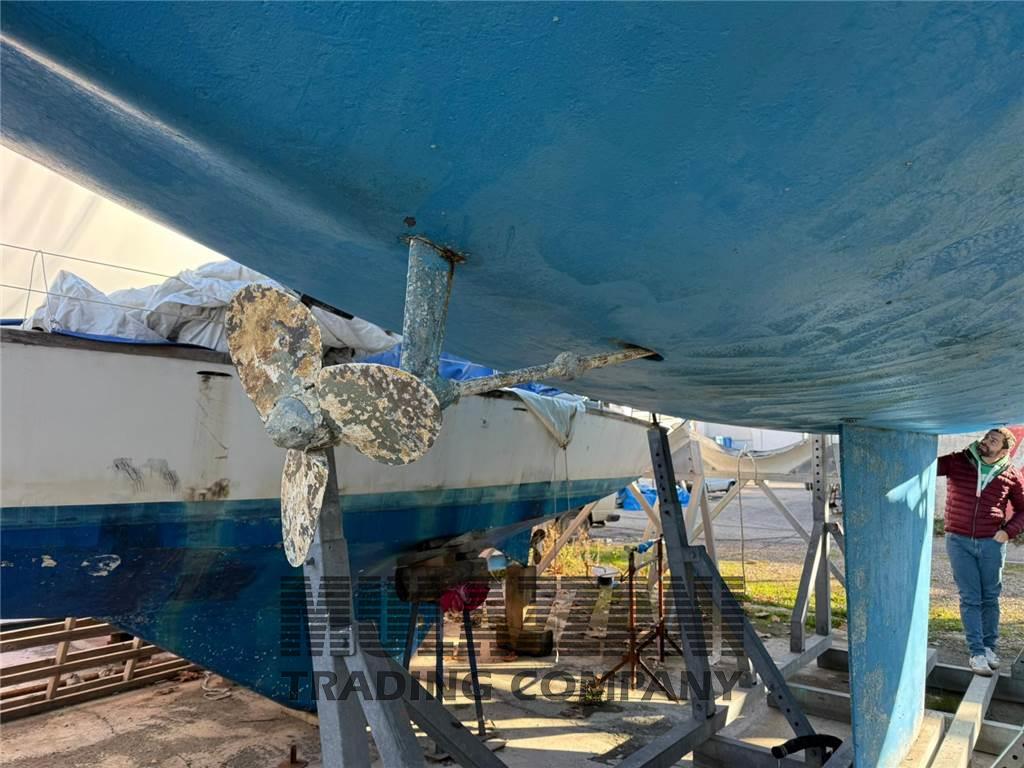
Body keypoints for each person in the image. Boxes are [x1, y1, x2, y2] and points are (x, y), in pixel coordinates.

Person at [937, 427, 1024, 676]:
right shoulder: (958, 461)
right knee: (970, 598)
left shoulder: (1011, 474)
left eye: (993, 441)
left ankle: (988, 648)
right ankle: (976, 653)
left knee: (990, 598)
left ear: (1003, 451)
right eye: (987, 437)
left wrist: (1008, 532)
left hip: (991, 543)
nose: (985, 441)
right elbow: (925, 466)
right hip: (958, 541)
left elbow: (1023, 509)